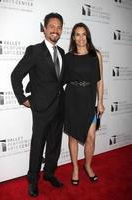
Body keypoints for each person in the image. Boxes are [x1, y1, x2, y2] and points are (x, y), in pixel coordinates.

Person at [11, 13, 65, 197]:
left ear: (62, 30)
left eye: (59, 27)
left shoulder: (62, 52)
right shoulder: (34, 51)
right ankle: (33, 180)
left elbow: (58, 81)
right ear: (44, 28)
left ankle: (49, 173)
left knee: (54, 145)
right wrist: (22, 98)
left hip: (59, 108)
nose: (55, 30)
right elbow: (16, 75)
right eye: (52, 26)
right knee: (37, 146)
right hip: (41, 109)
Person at [64, 23, 105, 185]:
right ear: (73, 37)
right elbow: (59, 79)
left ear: (87, 36)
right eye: (77, 34)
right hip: (72, 99)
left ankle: (87, 166)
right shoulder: (68, 57)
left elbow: (100, 82)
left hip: (89, 100)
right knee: (73, 137)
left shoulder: (96, 55)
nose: (81, 38)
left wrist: (100, 102)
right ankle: (75, 168)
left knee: (91, 137)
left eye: (83, 34)